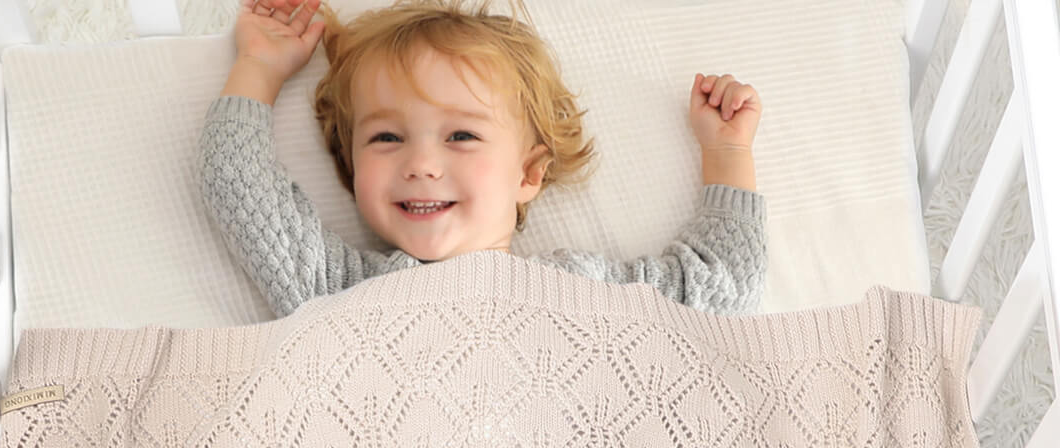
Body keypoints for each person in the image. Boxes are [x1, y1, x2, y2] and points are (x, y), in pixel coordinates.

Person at [198, 0, 767, 317]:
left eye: (462, 136)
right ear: (352, 170)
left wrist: (726, 151)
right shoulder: (341, 292)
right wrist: (259, 69)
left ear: (529, 173)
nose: (421, 164)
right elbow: (241, 186)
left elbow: (722, 289)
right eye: (386, 138)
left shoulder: (583, 291)